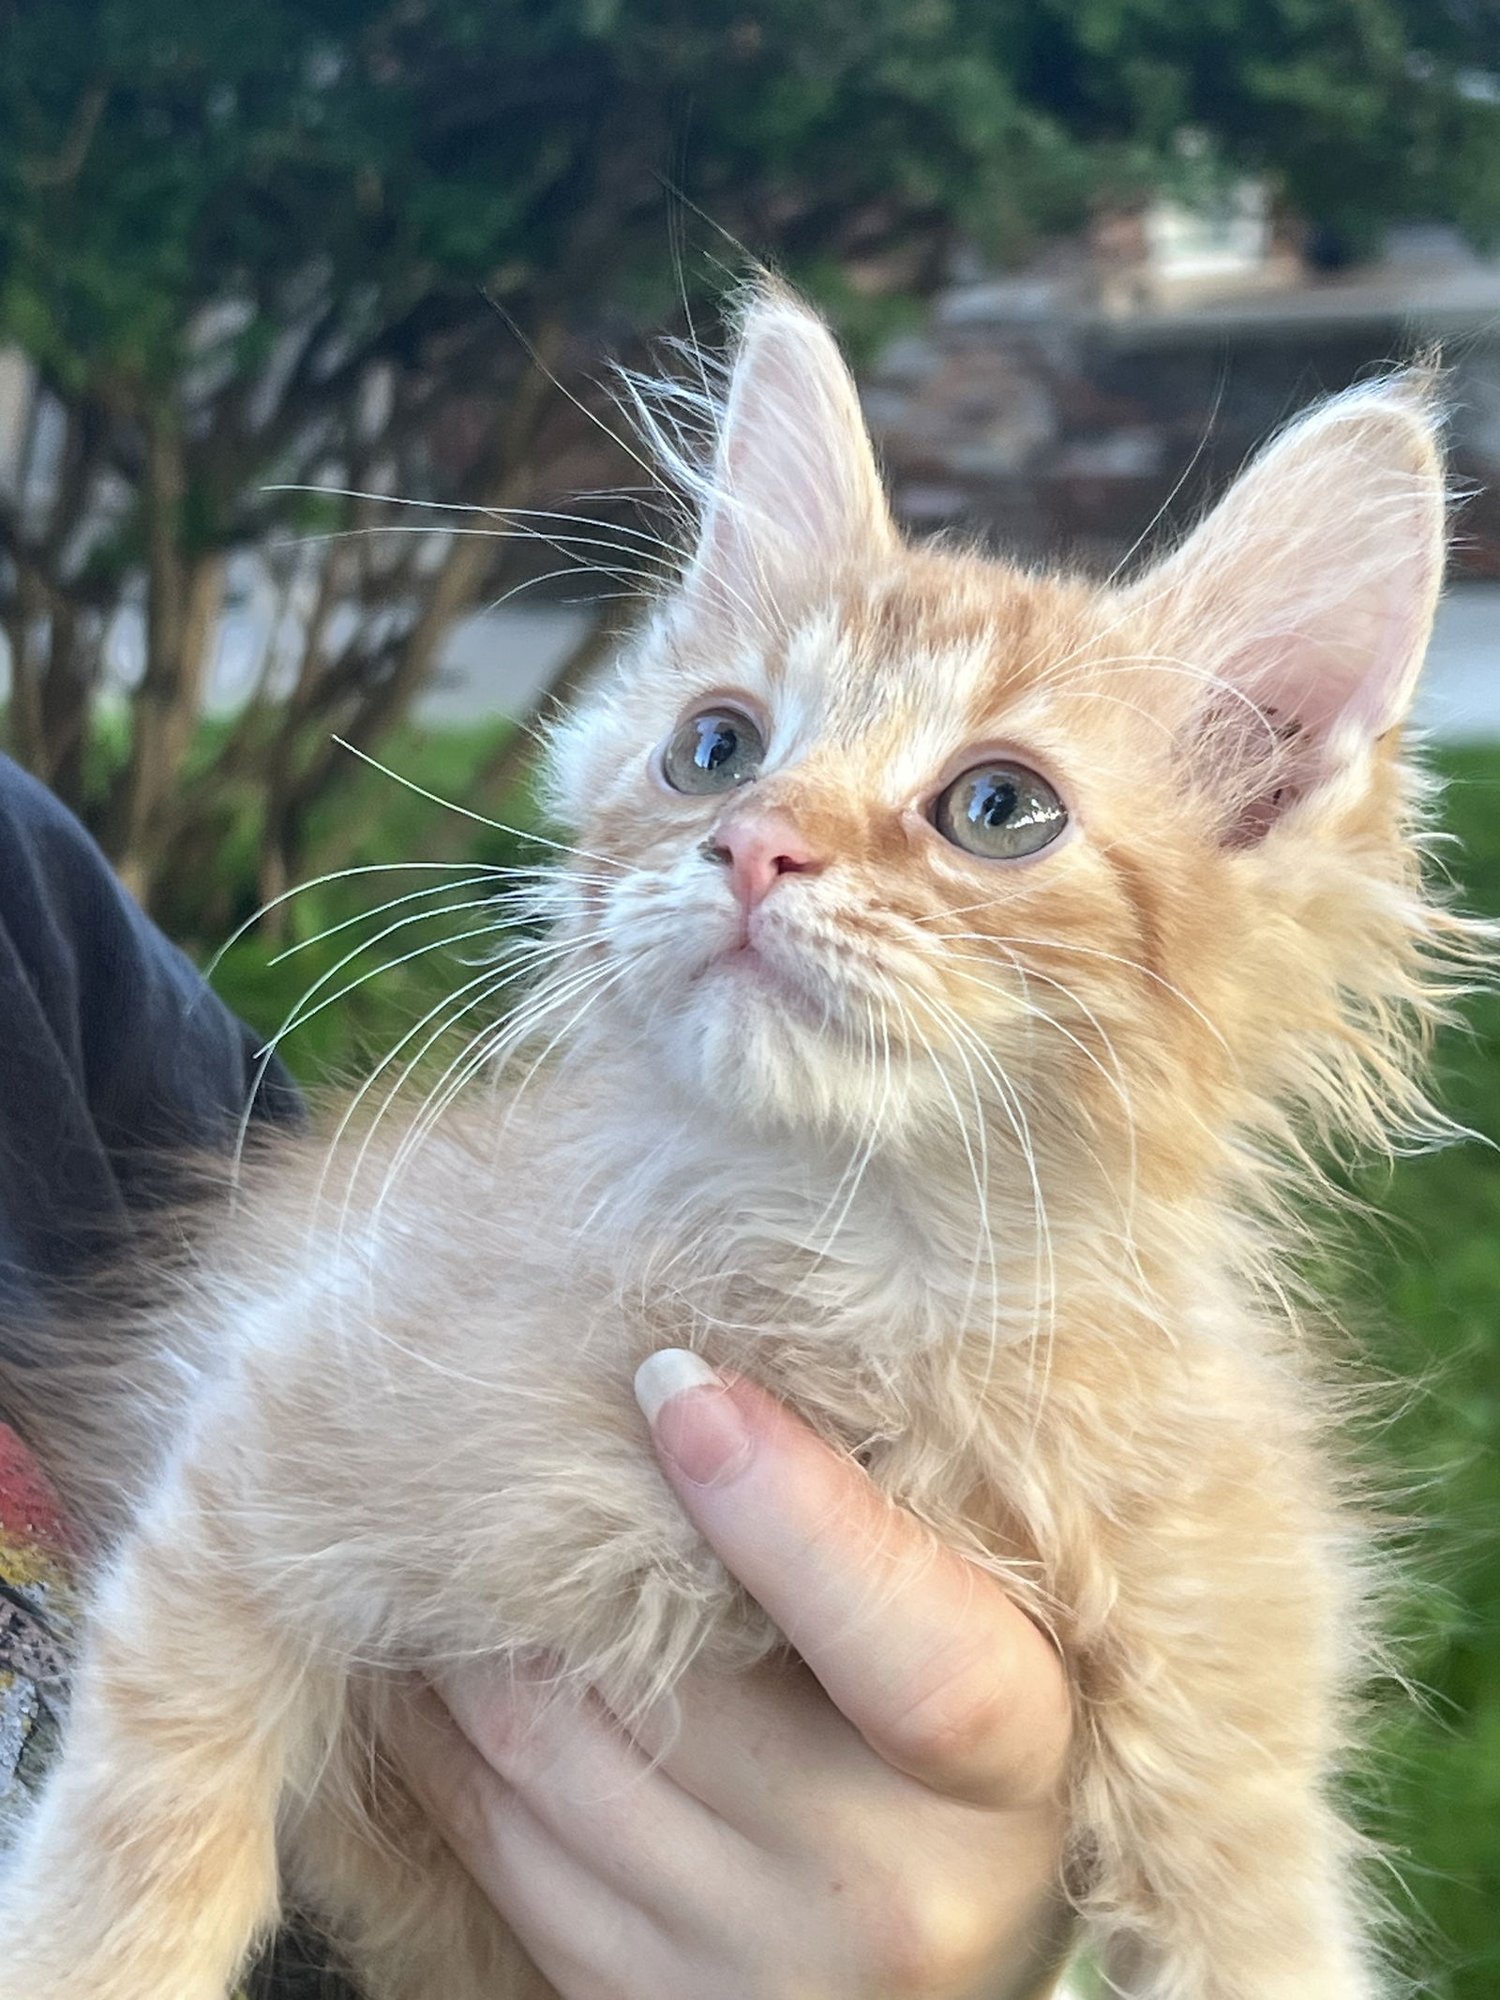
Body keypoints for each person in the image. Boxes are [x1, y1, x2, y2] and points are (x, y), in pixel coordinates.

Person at [0, 752, 1076, 1999]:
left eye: (998, 809)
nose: (763, 833)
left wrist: (976, 1920)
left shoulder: (31, 925)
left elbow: (279, 1352)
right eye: (719, 749)